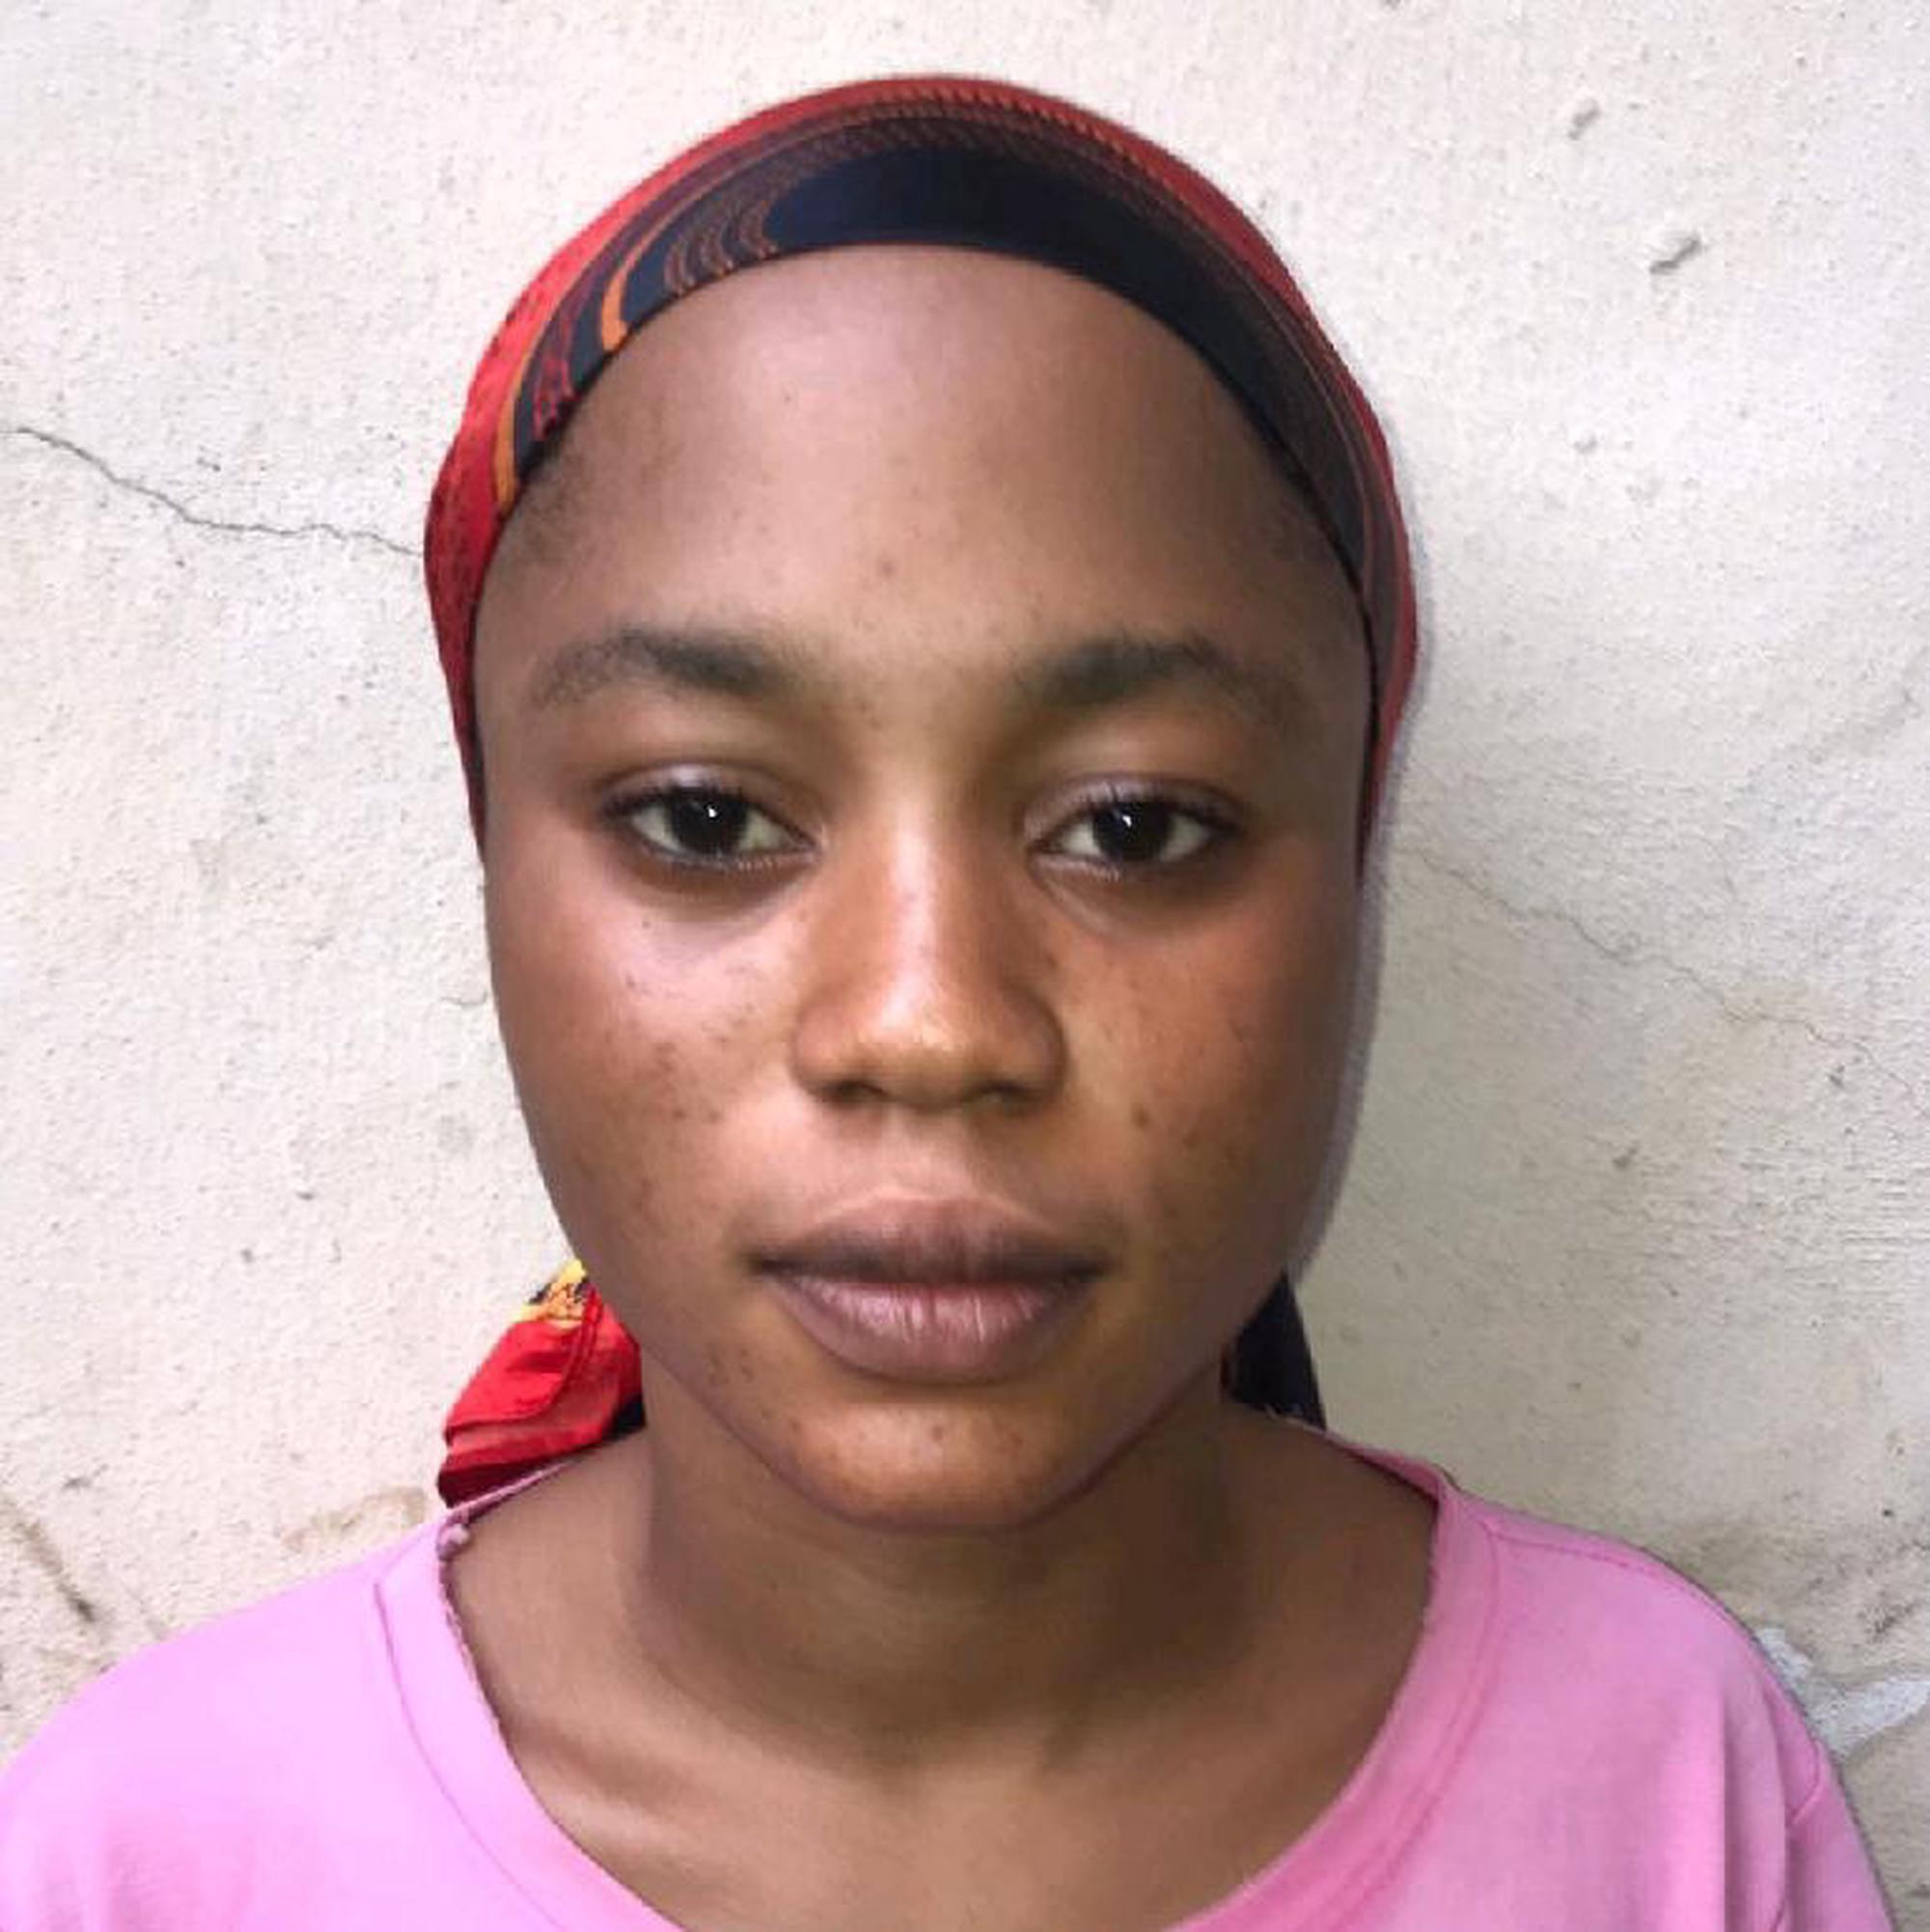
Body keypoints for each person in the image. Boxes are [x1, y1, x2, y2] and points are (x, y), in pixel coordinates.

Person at [0, 73, 1893, 1931]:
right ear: (496, 864)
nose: (928, 1024)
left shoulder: (1664, 1779)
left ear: (1347, 866)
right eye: (707, 816)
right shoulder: (147, 1858)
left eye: (1134, 825)